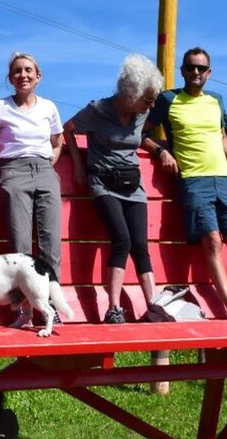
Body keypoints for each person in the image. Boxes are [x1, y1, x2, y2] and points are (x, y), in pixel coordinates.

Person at [142, 47, 227, 319]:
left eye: (201, 68)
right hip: (193, 180)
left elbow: (222, 134)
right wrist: (161, 151)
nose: (195, 72)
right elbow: (142, 132)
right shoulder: (168, 99)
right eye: (190, 67)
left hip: (223, 179)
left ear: (209, 73)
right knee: (211, 240)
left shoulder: (216, 101)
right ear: (182, 70)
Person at [63, 54, 162, 323]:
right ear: (131, 94)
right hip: (103, 182)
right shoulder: (97, 111)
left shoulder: (142, 112)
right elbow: (67, 129)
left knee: (140, 245)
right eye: (148, 99)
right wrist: (78, 165)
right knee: (122, 241)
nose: (151, 105)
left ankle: (153, 305)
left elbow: (139, 136)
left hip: (133, 184)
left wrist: (159, 150)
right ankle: (113, 308)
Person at [0, 53, 64, 322]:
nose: (23, 75)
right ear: (10, 78)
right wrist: (1, 171)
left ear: (38, 76)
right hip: (13, 171)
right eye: (16, 71)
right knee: (20, 246)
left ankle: (50, 308)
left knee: (51, 246)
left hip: (45, 172)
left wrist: (49, 165)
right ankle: (24, 309)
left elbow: (57, 142)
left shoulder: (49, 107)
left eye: (28, 70)